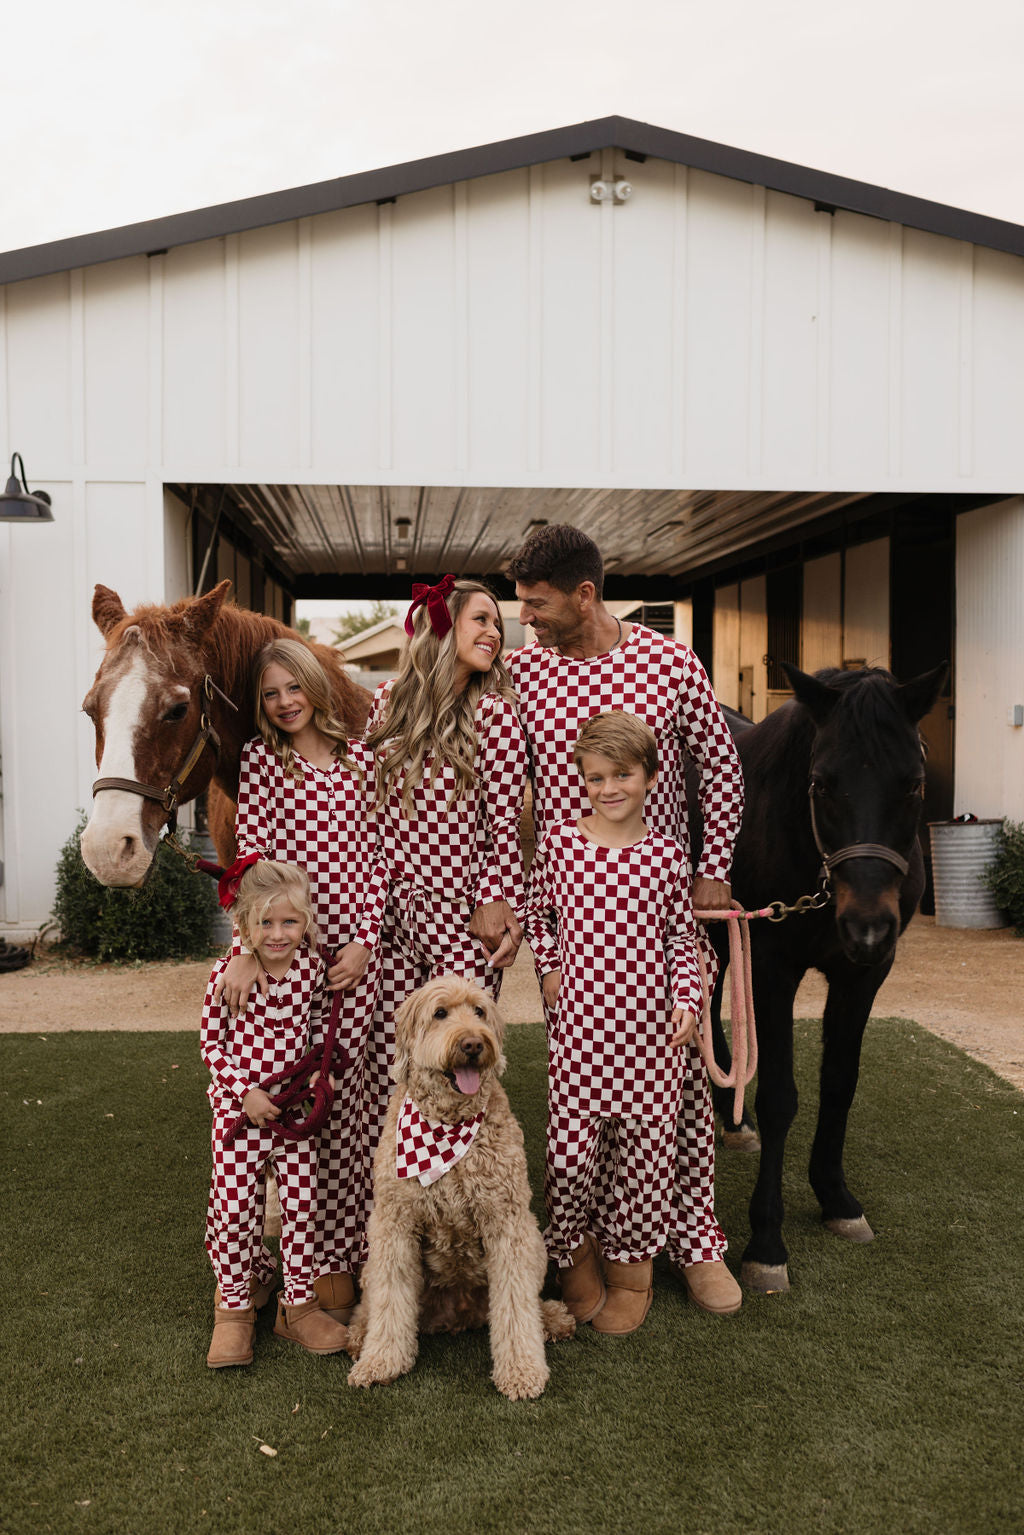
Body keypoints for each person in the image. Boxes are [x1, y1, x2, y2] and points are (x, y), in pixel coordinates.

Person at [505, 522, 745, 1316]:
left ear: (585, 593)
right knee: (584, 1097)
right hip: (575, 922)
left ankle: (693, 1239)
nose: (525, 617)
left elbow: (720, 762)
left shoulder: (669, 659)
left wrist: (712, 870)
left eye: (537, 604)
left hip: (659, 902)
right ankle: (589, 1246)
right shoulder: (524, 671)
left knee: (672, 1091)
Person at [218, 638, 389, 1322]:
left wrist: (366, 945)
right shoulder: (263, 761)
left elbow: (381, 860)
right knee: (303, 1104)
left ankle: (358, 1252)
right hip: (293, 950)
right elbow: (254, 860)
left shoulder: (362, 760)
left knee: (358, 1106)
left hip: (354, 954)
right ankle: (308, 1266)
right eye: (270, 693)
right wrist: (245, 946)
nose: (284, 702)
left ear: (316, 687)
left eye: (293, 687)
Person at [525, 712, 703, 1334]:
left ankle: (633, 1270)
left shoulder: (666, 856)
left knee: (644, 1161)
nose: (609, 788)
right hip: (579, 1037)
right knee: (571, 1159)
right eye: (596, 777)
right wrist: (549, 968)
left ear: (651, 776)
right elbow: (539, 916)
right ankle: (571, 1250)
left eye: (622, 775)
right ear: (581, 779)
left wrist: (687, 999)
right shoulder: (561, 844)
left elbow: (683, 938)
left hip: (652, 1041)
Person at [361, 576, 529, 1185]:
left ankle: (469, 1198)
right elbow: (371, 818)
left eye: (497, 625)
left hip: (464, 914)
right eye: (480, 620)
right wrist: (369, 911)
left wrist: (495, 900)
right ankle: (400, 1205)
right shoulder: (386, 706)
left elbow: (505, 823)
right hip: (394, 914)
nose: (493, 632)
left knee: (464, 1058)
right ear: (442, 627)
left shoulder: (498, 715)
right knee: (399, 1059)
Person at [201, 860, 350, 1367]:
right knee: (238, 1210)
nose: (278, 934)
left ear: (305, 921)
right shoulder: (228, 972)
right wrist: (244, 1093)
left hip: (291, 1112)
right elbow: (211, 1044)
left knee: (301, 1206)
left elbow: (313, 1030)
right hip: (240, 1114)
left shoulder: (310, 969)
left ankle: (298, 1304)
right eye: (265, 923)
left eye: (289, 922)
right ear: (243, 926)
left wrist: (315, 1073)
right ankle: (235, 1312)